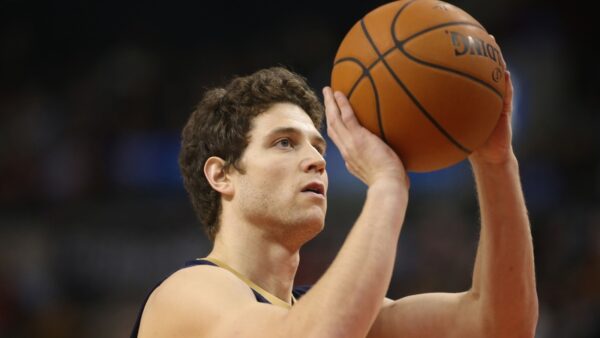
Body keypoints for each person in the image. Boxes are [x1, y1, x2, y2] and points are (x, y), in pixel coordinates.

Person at [131, 66, 538, 338]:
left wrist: (495, 162)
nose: (315, 160)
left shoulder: (335, 311)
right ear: (221, 175)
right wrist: (387, 187)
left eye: (319, 147)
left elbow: (500, 323)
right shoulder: (187, 294)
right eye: (284, 142)